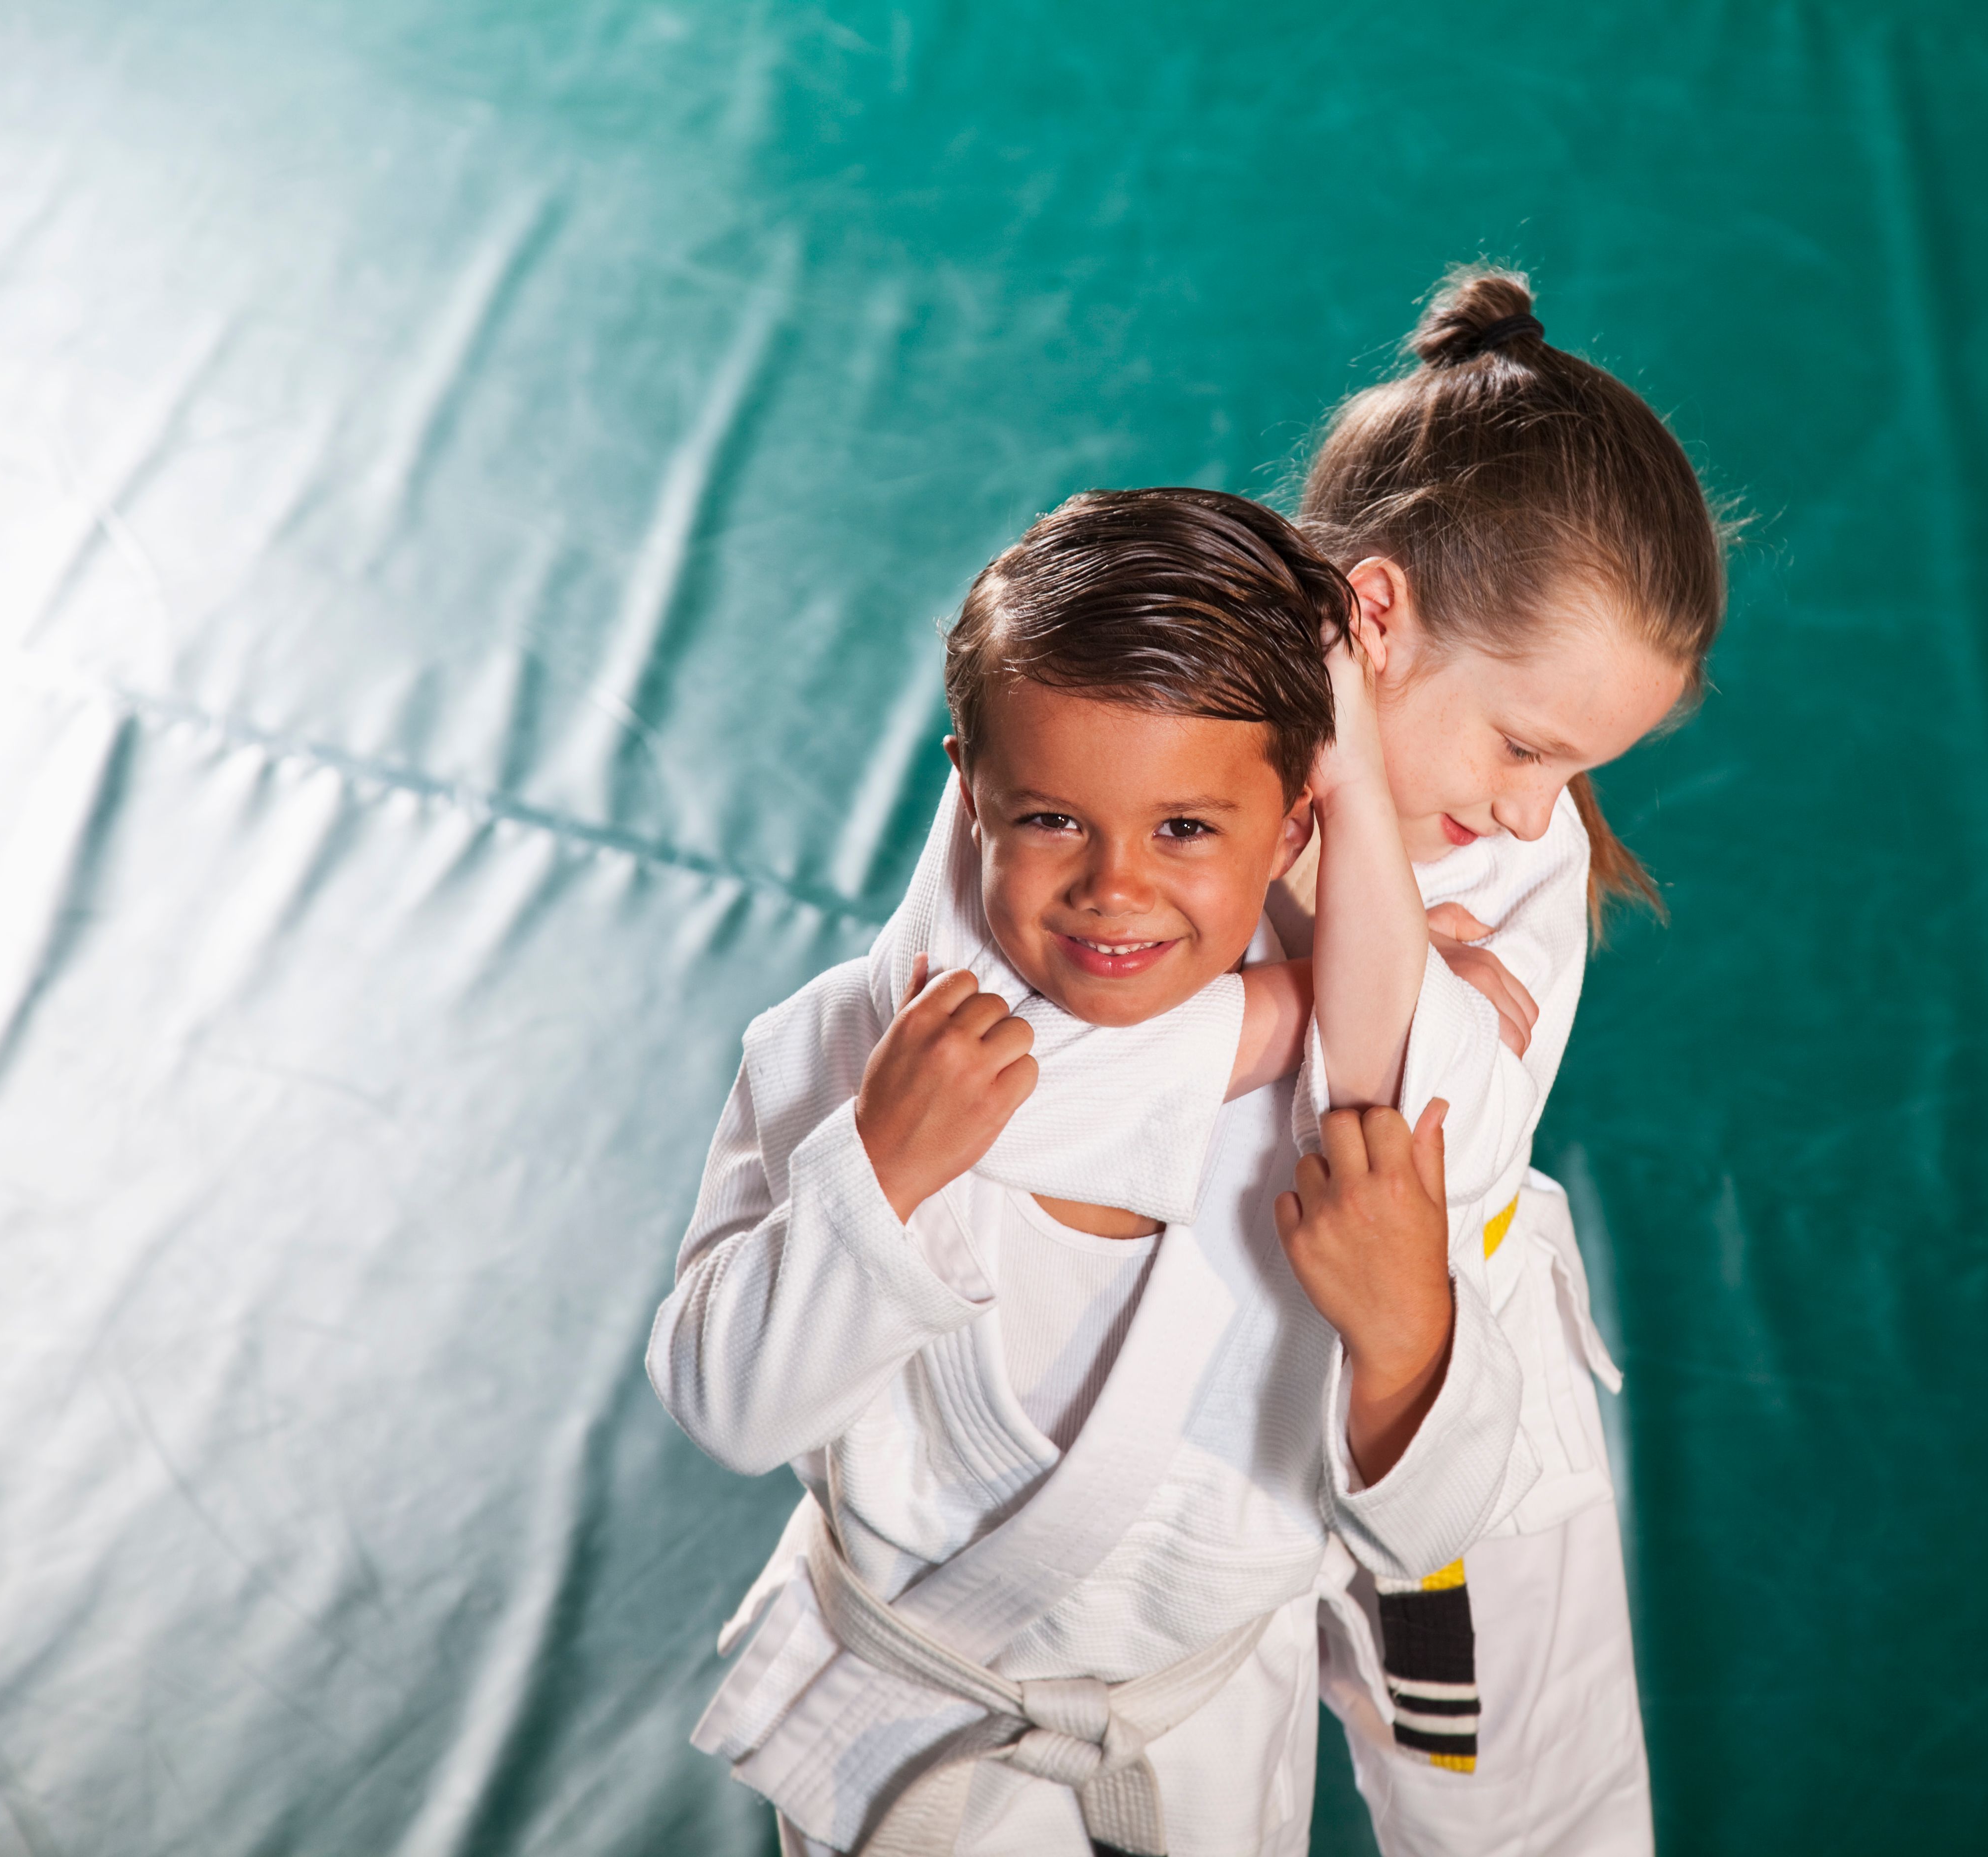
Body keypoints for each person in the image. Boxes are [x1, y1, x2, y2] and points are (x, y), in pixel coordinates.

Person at [647, 488, 1525, 1857]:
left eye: (1187, 830)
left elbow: (1440, 1522)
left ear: (1298, 825)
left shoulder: (1383, 1082)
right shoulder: (847, 1050)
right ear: (969, 787)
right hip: (916, 1737)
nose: (1115, 891)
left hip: (1201, 1751)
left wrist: (1410, 1336)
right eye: (1054, 819)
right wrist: (875, 1175)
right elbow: (731, 1410)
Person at [1282, 265, 1731, 1857]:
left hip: (1455, 1404)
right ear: (1373, 623)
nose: (1543, 811)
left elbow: (1410, 1127)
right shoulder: (1170, 770)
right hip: (1193, 1416)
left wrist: (1356, 883)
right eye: (1528, 748)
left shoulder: (1517, 870)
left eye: (1580, 768)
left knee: (1527, 1824)